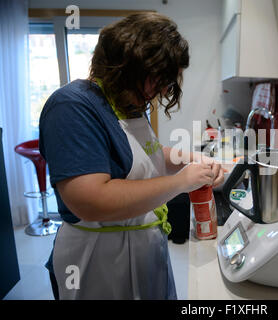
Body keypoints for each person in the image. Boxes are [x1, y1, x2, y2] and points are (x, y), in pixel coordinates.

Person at [39, 12, 224, 300]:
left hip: (142, 246)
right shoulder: (71, 106)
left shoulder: (129, 104)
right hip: (99, 260)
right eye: (157, 78)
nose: (163, 89)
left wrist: (189, 159)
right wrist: (180, 183)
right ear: (126, 67)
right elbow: (90, 201)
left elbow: (144, 152)